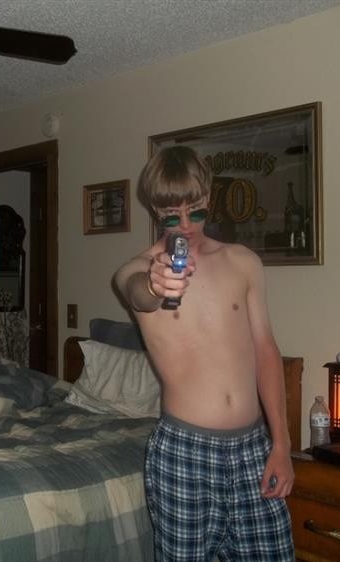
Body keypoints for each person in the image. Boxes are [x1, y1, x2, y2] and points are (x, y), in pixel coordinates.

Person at [113, 145, 294, 561]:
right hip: (184, 453)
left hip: (252, 449)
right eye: (170, 216)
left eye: (195, 212)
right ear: (155, 211)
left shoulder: (243, 262)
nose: (185, 225)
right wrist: (155, 284)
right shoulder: (137, 270)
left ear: (209, 198)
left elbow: (266, 352)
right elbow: (137, 292)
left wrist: (281, 445)